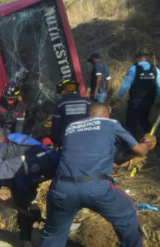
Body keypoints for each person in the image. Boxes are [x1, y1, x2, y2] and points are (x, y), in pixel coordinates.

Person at [40, 103, 155, 247]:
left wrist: (124, 163)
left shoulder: (71, 127)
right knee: (127, 212)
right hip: (95, 187)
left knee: (53, 233)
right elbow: (140, 151)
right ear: (107, 115)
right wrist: (147, 142)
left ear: (89, 115)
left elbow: (85, 156)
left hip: (62, 187)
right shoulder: (111, 124)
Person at [115, 52, 160, 138]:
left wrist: (118, 96)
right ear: (146, 59)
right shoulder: (156, 70)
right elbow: (159, 86)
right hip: (149, 100)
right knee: (144, 120)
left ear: (137, 59)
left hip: (135, 100)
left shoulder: (133, 68)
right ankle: (153, 139)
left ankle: (130, 144)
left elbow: (125, 85)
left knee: (131, 121)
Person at [51, 78, 91, 147]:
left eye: (60, 91)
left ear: (63, 90)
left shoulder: (60, 104)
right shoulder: (87, 102)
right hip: (86, 139)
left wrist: (55, 141)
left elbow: (56, 126)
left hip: (67, 141)